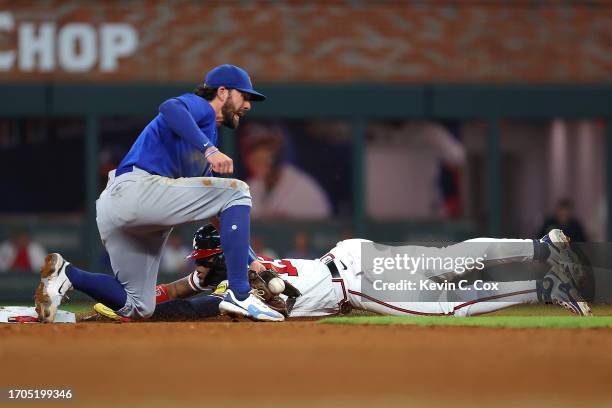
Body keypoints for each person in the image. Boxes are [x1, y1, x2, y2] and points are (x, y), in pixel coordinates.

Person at [34, 64, 284, 323]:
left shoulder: (203, 138)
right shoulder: (203, 109)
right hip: (137, 190)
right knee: (239, 190)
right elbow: (170, 107)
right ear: (222, 92)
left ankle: (68, 274)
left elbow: (220, 215)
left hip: (123, 208)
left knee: (139, 307)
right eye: (244, 96)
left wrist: (253, 262)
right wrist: (209, 149)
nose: (248, 105)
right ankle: (240, 294)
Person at [92, 225, 591, 322]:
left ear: (217, 256)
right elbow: (188, 287)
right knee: (449, 260)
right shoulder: (236, 268)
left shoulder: (243, 279)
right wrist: (147, 302)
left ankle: (540, 285)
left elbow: (198, 300)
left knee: (445, 303)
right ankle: (540, 249)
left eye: (205, 260)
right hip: (351, 255)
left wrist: (159, 312)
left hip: (353, 283)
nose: (200, 267)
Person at [241, 124, 332, 219]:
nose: (260, 153)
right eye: (254, 148)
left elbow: (321, 228)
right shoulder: (251, 185)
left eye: (267, 147)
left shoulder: (304, 188)